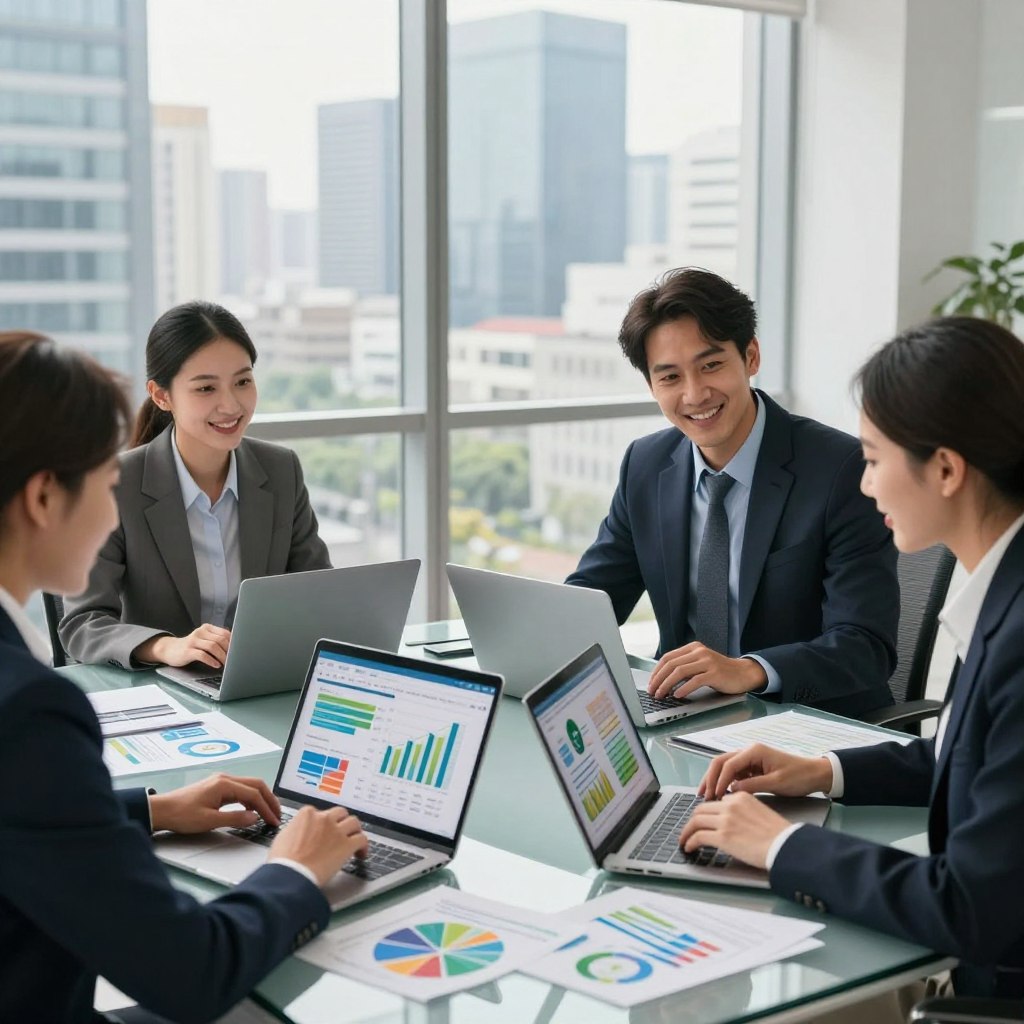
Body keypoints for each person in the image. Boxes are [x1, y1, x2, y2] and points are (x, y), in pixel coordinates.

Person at [0, 331, 368, 1022]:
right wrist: (296, 870)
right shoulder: (28, 711)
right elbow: (193, 970)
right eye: (107, 483)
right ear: (46, 496)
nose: (116, 507)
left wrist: (148, 811)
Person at [678, 316, 1024, 1000]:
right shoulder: (1001, 587)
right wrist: (820, 771)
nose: (864, 486)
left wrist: (780, 847)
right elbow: (970, 759)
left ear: (947, 469)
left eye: (872, 459)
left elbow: (971, 909)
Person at [566, 268, 898, 719]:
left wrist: (750, 670)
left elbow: (866, 646)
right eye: (669, 378)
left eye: (711, 365)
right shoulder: (645, 466)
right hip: (684, 715)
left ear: (751, 356)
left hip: (809, 727)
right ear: (651, 386)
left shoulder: (841, 470)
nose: (695, 394)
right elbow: (592, 599)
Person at [60, 300, 331, 672]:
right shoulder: (115, 485)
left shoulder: (282, 470)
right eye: (206, 388)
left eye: (243, 381)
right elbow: (82, 624)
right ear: (161, 395)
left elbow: (321, 596)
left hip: (256, 683)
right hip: (159, 693)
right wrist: (164, 647)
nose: (231, 404)